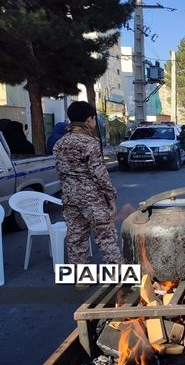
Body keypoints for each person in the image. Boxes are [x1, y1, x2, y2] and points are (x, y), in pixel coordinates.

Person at [53, 101, 121, 264]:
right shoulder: (90, 143)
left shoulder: (59, 144)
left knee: (76, 239)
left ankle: (81, 280)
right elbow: (100, 174)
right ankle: (117, 277)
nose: (94, 123)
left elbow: (61, 172)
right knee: (106, 238)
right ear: (88, 119)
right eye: (94, 119)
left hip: (70, 199)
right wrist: (111, 197)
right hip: (92, 200)